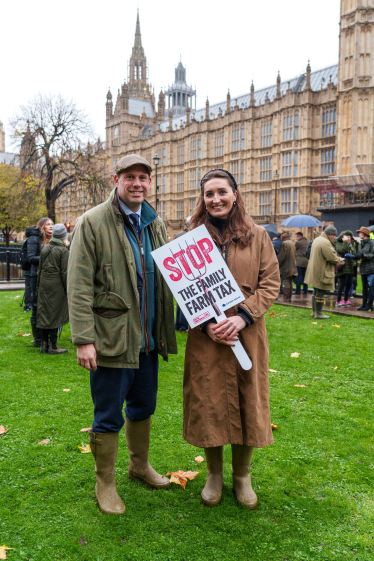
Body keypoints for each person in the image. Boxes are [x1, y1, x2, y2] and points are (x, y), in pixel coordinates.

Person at [67, 154, 177, 515]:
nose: (137, 184)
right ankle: (106, 483)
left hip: (146, 340)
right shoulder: (93, 222)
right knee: (109, 415)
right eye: (130, 177)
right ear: (116, 180)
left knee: (144, 407)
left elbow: (170, 274)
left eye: (144, 178)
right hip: (112, 340)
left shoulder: (154, 223)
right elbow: (79, 284)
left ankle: (139, 466)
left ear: (150, 183)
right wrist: (84, 338)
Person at [183, 169, 280, 509]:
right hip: (206, 339)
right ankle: (214, 475)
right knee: (209, 402)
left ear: (235, 194)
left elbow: (271, 284)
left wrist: (242, 316)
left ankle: (242, 476)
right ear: (203, 199)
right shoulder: (192, 239)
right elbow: (181, 290)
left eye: (222, 192)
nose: (216, 199)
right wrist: (207, 323)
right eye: (209, 194)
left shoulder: (258, 236)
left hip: (247, 334)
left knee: (247, 401)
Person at [37, 224, 70, 354]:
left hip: (44, 285)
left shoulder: (45, 249)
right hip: (56, 287)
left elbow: (39, 270)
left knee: (45, 313)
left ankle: (44, 345)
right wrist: (68, 289)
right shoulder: (63, 251)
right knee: (55, 315)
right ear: (63, 235)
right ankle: (54, 346)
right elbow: (65, 273)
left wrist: (38, 286)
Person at [304, 225, 344, 319]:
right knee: (320, 292)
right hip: (322, 271)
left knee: (316, 291)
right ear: (330, 234)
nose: (334, 237)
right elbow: (331, 257)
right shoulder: (325, 242)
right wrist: (339, 259)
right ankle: (319, 313)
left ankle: (314, 312)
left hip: (316, 269)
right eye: (334, 235)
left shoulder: (318, 239)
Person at [27, 217, 54, 346]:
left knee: (49, 306)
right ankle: (38, 340)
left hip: (50, 277)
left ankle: (47, 338)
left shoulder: (54, 239)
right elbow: (31, 258)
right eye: (48, 224)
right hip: (36, 276)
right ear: (42, 226)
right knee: (37, 307)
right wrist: (48, 257)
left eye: (52, 224)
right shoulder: (34, 239)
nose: (51, 226)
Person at [335, 230, 357, 307]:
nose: (348, 238)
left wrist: (355, 242)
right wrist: (345, 242)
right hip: (343, 267)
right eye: (347, 236)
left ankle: (346, 300)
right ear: (342, 237)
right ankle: (338, 301)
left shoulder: (350, 244)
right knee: (342, 284)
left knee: (349, 284)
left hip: (350, 267)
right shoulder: (338, 243)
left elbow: (355, 252)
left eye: (349, 237)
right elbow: (342, 250)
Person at [355, 227, 374, 311]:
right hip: (363, 269)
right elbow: (360, 253)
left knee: (371, 288)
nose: (359, 234)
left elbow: (372, 254)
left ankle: (369, 304)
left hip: (370, 269)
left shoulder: (371, 243)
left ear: (365, 234)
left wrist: (363, 256)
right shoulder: (361, 243)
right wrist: (358, 256)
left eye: (360, 233)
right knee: (364, 287)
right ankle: (364, 304)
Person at [278, 230, 297, 302]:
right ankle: (289, 298)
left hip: (286, 267)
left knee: (286, 282)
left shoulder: (284, 244)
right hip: (293, 266)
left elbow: (282, 257)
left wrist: (278, 264)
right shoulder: (292, 243)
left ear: (283, 236)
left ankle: (285, 298)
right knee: (290, 282)